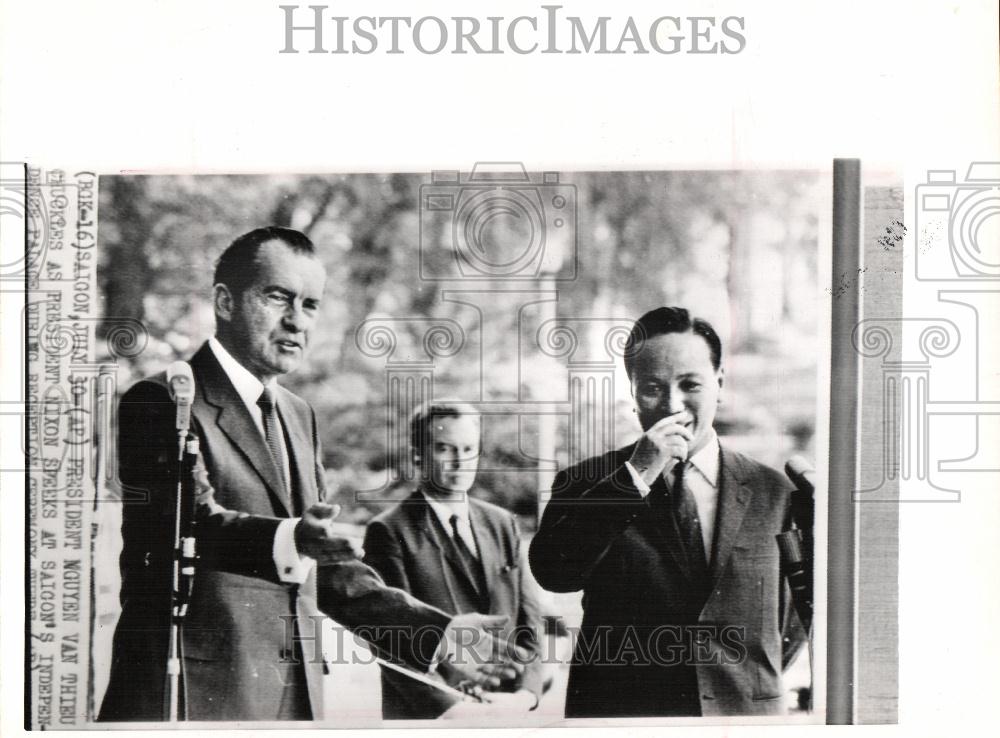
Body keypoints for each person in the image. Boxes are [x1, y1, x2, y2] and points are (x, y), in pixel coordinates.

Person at [99, 227, 523, 722]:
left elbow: (328, 568)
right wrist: (293, 538)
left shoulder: (299, 415)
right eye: (277, 297)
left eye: (311, 305)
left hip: (293, 697)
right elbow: (186, 529)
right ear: (225, 301)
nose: (296, 321)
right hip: (194, 694)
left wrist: (436, 632)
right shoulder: (164, 400)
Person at [528, 306, 806, 718]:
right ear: (633, 393)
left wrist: (742, 681)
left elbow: (794, 621)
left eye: (690, 384)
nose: (672, 405)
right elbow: (555, 572)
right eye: (653, 388)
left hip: (741, 716)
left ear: (720, 384)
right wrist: (637, 474)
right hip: (623, 716)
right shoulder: (585, 482)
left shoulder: (775, 492)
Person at [363, 401, 545, 719]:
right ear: (418, 455)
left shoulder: (502, 522)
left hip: (507, 711)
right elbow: (389, 640)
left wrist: (526, 695)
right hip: (432, 717)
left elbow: (531, 619)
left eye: (469, 449)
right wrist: (452, 709)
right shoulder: (389, 530)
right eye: (445, 449)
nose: (460, 461)